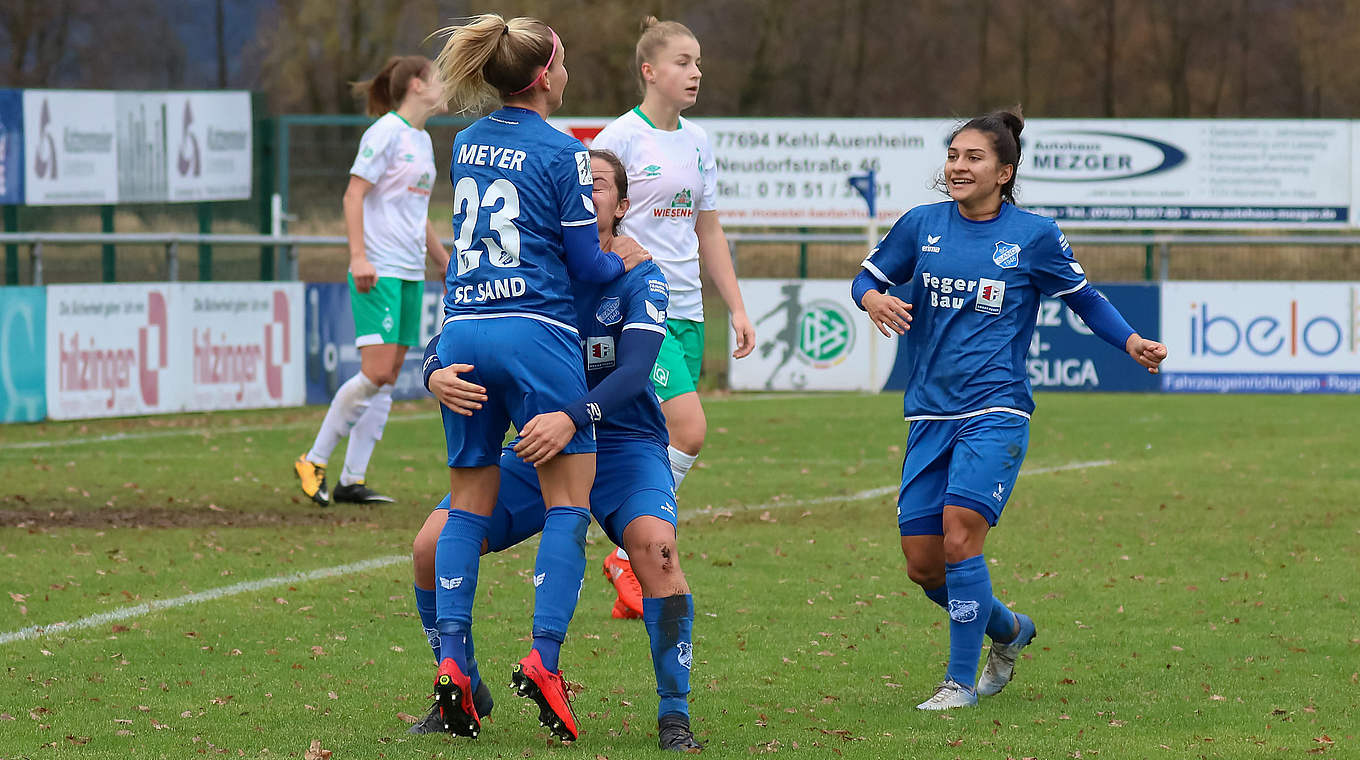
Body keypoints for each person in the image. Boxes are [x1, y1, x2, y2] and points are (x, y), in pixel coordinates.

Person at [849, 108, 1168, 710]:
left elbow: (1085, 298)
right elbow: (865, 279)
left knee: (960, 539)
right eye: (953, 156)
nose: (958, 167)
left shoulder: (1035, 235)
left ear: (1004, 171)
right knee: (924, 566)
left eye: (973, 158)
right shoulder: (921, 225)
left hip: (996, 409)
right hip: (928, 413)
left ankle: (957, 683)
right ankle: (1009, 630)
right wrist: (873, 301)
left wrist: (1129, 341)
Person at [408, 151, 701, 751]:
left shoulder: (639, 274)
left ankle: (674, 714)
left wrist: (575, 417)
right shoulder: (534, 266)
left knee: (658, 551)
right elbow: (457, 336)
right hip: (543, 445)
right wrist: (431, 371)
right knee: (428, 548)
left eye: (595, 185)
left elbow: (636, 371)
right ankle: (462, 686)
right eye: (575, 183)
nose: (581, 192)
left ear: (621, 207)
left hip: (621, 444)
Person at [425, 15, 649, 742]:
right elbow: (586, 266)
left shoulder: (464, 143)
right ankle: (544, 659)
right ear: (547, 75)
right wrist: (628, 263)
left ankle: (454, 662)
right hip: (536, 333)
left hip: (463, 327)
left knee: (466, 504)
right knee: (566, 504)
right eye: (564, 60)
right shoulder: (564, 153)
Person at [590, 16, 756, 618]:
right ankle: (627, 550)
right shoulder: (619, 139)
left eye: (699, 62)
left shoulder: (698, 142)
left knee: (658, 440)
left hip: (688, 309)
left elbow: (707, 228)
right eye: (684, 62)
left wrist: (735, 306)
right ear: (649, 70)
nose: (696, 73)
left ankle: (640, 542)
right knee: (689, 430)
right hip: (640, 311)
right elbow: (589, 228)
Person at [293, 55, 450, 506]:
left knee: (390, 375)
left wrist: (440, 259)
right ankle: (314, 459)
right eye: (437, 79)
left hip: (408, 270)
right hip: (377, 268)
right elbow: (353, 194)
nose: (443, 88)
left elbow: (414, 214)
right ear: (417, 84)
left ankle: (351, 480)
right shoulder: (384, 133)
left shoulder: (421, 140)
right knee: (377, 371)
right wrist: (358, 256)